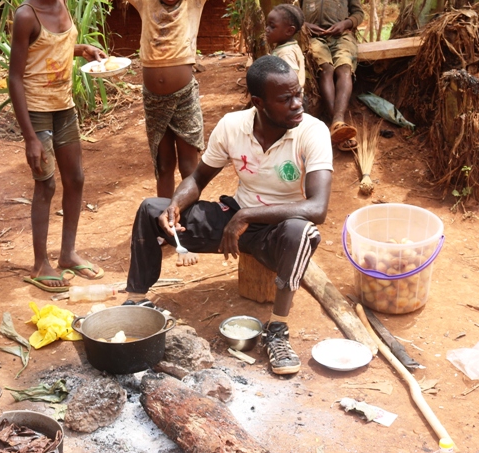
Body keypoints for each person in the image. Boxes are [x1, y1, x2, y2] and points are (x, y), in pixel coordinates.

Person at [124, 57, 332, 376]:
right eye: (285, 99)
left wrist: (248, 215)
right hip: (232, 218)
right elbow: (197, 179)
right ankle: (137, 300)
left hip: (278, 231)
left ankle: (277, 331)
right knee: (151, 209)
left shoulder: (312, 132)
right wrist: (175, 205)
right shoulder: (232, 126)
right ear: (259, 103)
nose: (297, 104)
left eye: (298, 94)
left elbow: (317, 208)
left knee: (302, 232)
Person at [8, 0, 107, 292]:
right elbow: (15, 77)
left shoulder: (63, 2)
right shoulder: (26, 15)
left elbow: (58, 48)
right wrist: (30, 138)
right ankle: (40, 263)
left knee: (76, 179)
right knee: (46, 184)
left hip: (64, 107)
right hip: (37, 112)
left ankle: (67, 254)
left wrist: (83, 49)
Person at [102, 0, 225, 197]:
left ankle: (187, 219)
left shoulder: (195, 0)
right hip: (154, 99)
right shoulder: (144, 1)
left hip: (184, 98)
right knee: (163, 164)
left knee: (189, 164)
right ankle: (164, 221)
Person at [298, 0, 364, 151]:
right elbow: (291, 12)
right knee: (325, 68)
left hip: (342, 36)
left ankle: (337, 120)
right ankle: (336, 123)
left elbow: (358, 13)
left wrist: (345, 24)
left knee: (344, 68)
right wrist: (304, 25)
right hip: (314, 38)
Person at [265, 4, 306, 88]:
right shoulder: (288, 46)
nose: (267, 29)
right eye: (267, 25)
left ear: (289, 31)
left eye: (272, 26)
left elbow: (290, 81)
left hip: (288, 99)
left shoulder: (286, 53)